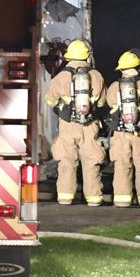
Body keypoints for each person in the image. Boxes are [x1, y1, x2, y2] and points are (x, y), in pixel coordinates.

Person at [44, 39, 106, 206]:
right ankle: (93, 199)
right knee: (91, 161)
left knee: (66, 161)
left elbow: (50, 101)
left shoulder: (60, 77)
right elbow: (101, 103)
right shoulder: (96, 76)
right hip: (90, 124)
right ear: (87, 56)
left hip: (68, 124)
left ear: (68, 57)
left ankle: (65, 197)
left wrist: (62, 107)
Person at [105, 50, 140, 207]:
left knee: (121, 166)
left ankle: (122, 200)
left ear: (121, 69)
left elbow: (110, 103)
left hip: (120, 133)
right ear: (138, 66)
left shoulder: (115, 85)